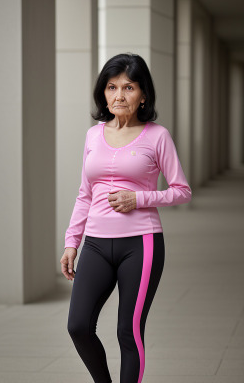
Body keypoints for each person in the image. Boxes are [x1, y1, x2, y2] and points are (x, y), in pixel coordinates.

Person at [60, 52, 192, 383]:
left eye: (129, 87)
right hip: (95, 245)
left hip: (141, 244)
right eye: (112, 87)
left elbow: (181, 190)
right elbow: (84, 194)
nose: (119, 95)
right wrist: (71, 242)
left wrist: (140, 198)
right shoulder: (93, 135)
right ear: (103, 93)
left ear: (143, 94)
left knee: (128, 332)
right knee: (77, 325)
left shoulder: (157, 136)